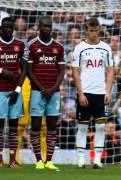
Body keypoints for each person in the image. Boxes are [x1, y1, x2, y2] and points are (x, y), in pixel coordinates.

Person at [72, 17, 114, 169]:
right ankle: (81, 159)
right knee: (83, 127)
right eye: (90, 30)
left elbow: (110, 71)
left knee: (101, 127)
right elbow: (75, 72)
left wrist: (107, 91)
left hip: (100, 93)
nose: (93, 33)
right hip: (86, 92)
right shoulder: (80, 48)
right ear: (86, 30)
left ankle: (97, 159)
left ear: (99, 31)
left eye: (96, 31)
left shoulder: (106, 48)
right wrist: (80, 93)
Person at [24, 16, 65, 170]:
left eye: (49, 26)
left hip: (54, 93)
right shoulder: (32, 46)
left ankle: (49, 160)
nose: (47, 28)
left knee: (52, 126)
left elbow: (62, 70)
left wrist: (53, 88)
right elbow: (29, 71)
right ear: (39, 27)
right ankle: (38, 160)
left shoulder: (59, 47)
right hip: (37, 91)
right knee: (35, 125)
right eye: (44, 26)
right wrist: (42, 88)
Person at [0, 17, 26, 168]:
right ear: (1, 28)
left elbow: (25, 69)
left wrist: (18, 89)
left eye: (11, 27)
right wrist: (2, 70)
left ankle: (12, 159)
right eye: (6, 27)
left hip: (15, 91)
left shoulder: (20, 44)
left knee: (14, 126)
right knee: (0, 126)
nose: (9, 30)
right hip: (0, 90)